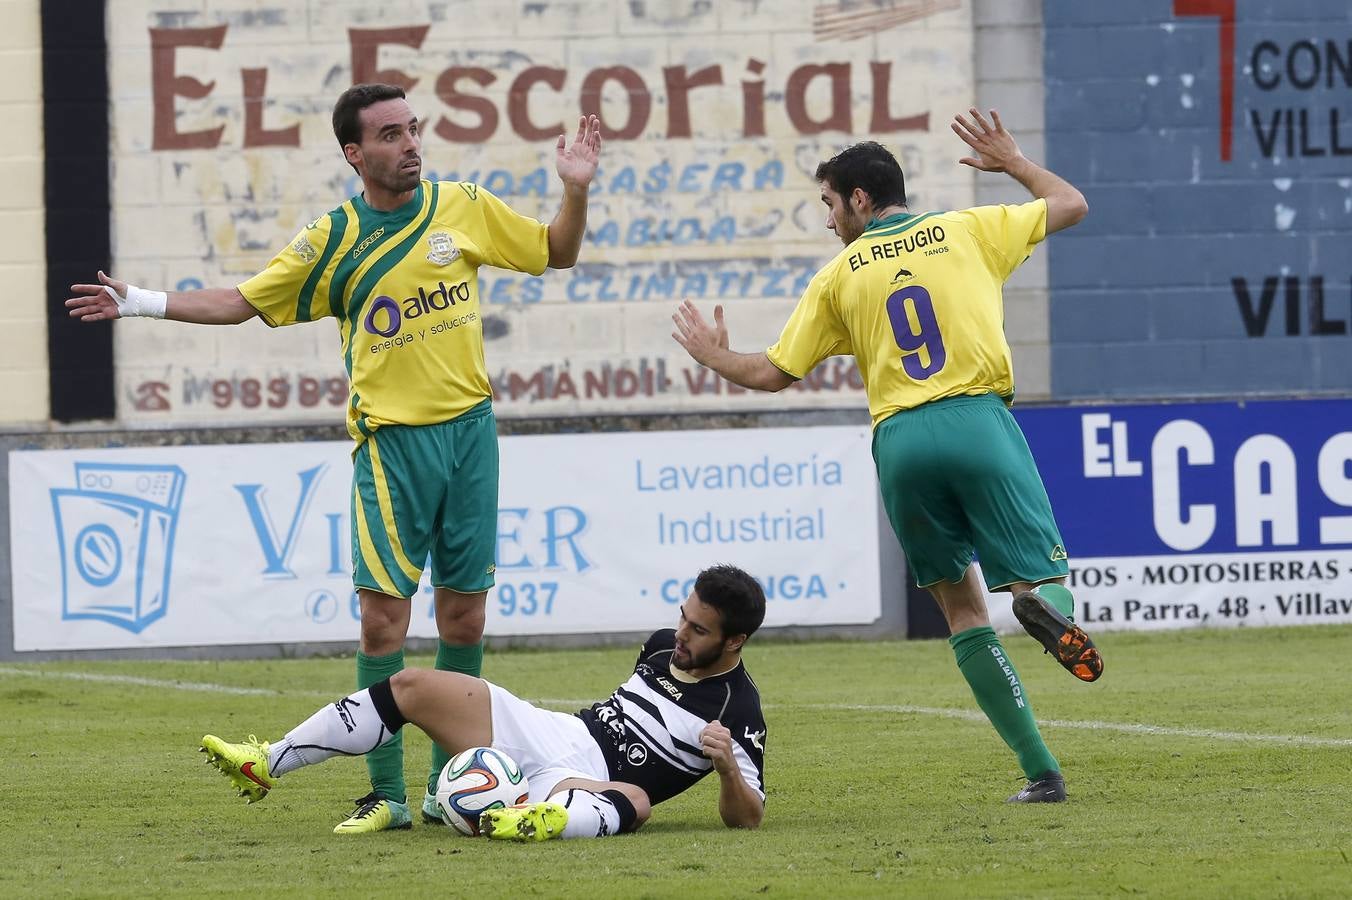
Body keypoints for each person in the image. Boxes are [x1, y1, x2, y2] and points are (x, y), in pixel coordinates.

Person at [66, 83, 603, 833]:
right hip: (393, 447)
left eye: (414, 130)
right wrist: (143, 302)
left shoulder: (464, 207)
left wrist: (573, 193)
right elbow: (244, 301)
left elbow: (558, 251)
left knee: (465, 617)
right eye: (390, 135)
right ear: (355, 154)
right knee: (383, 626)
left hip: (471, 434)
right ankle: (385, 796)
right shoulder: (334, 241)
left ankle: (454, 782)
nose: (410, 144)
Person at [670, 108, 1098, 803]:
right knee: (1037, 579)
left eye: (831, 205)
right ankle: (1045, 607)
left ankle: (1041, 771)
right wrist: (1013, 160)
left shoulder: (839, 277)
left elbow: (773, 373)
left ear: (860, 200)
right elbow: (1071, 203)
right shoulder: (968, 228)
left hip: (900, 442)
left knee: (961, 613)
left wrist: (713, 353)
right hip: (976, 420)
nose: (830, 221)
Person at [201, 565, 767, 840]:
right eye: (683, 618)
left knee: (637, 802)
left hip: (591, 783)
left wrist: (724, 770)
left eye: (698, 630)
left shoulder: (738, 711)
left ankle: (527, 820)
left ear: (734, 641)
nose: (681, 635)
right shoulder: (663, 645)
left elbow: (747, 818)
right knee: (412, 687)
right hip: (559, 732)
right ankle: (265, 762)